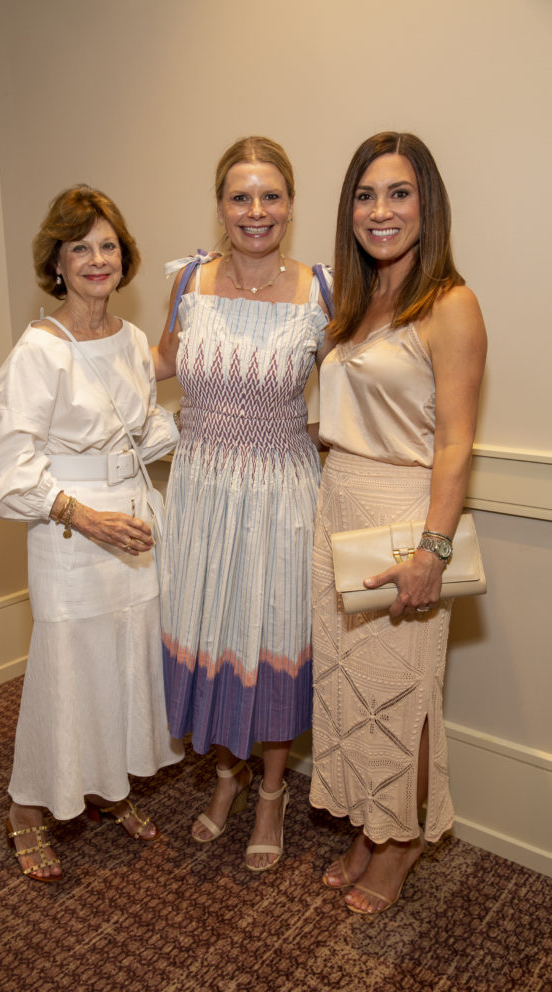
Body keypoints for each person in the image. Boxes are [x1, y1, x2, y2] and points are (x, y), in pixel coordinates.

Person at [0, 185, 182, 882]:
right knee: (68, 671)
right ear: (57, 263)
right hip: (70, 528)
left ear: (124, 257)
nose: (98, 259)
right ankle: (26, 808)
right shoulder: (40, 349)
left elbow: (144, 430)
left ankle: (108, 786)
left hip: (135, 521)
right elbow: (6, 468)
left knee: (125, 661)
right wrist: (84, 516)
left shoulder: (129, 340)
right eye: (80, 248)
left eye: (108, 246)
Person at [310, 132, 487, 913]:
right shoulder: (356, 303)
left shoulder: (449, 304)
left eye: (398, 193)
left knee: (400, 697)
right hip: (337, 504)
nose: (379, 211)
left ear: (426, 205)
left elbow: (453, 443)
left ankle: (401, 841)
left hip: (402, 518)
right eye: (365, 195)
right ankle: (367, 825)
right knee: (348, 692)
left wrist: (431, 552)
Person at [153, 137, 333, 872]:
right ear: (220, 206)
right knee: (212, 628)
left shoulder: (322, 291)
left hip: (279, 494)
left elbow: (355, 392)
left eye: (270, 196)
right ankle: (226, 775)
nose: (256, 211)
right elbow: (159, 363)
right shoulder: (189, 280)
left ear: (290, 204)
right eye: (240, 196)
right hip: (200, 491)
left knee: (272, 631)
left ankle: (271, 792)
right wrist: (77, 340)